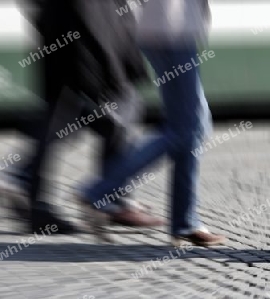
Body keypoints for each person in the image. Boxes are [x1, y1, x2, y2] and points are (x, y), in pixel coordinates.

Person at [78, 0, 226, 247]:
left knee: (193, 128)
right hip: (171, 29)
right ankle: (99, 191)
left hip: (166, 27)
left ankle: (185, 221)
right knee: (189, 129)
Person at [9, 0, 165, 233]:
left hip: (75, 26)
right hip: (86, 28)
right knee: (104, 109)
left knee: (79, 112)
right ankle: (108, 198)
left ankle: (29, 184)